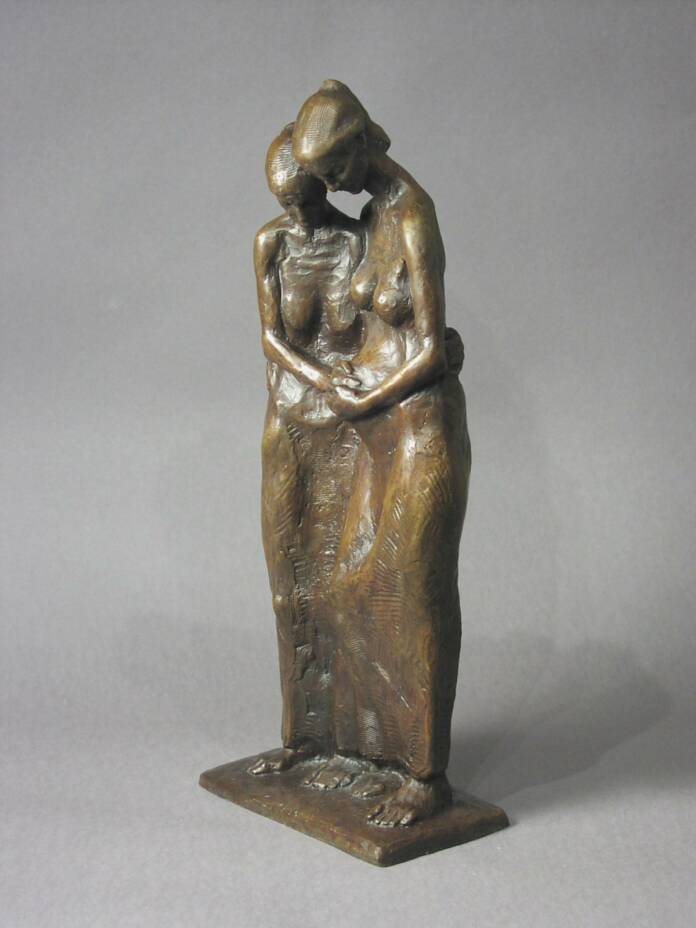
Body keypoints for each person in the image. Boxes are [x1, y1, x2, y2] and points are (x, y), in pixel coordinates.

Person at [292, 80, 471, 827]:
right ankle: (378, 754)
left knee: (415, 594)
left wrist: (366, 399)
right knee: (353, 590)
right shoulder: (372, 216)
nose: (332, 186)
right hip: (376, 434)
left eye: (336, 168)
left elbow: (428, 348)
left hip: (421, 434)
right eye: (323, 175)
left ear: (366, 141)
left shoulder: (415, 215)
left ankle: (425, 776)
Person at [247, 124, 364, 776]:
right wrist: (319, 376)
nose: (295, 214)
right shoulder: (270, 243)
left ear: (325, 186)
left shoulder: (356, 242)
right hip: (291, 422)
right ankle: (302, 739)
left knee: (346, 585)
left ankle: (357, 745)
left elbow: (387, 328)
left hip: (350, 431)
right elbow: (271, 337)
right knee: (291, 588)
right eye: (284, 202)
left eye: (303, 200)